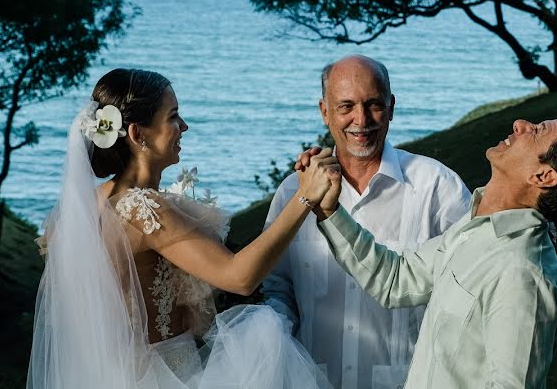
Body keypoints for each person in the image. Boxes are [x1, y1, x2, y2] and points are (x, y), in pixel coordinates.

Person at [27, 68, 340, 389]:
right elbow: (240, 277)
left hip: (109, 376)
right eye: (173, 117)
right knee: (264, 331)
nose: (184, 126)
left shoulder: (86, 204)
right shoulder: (143, 210)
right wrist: (304, 195)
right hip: (166, 377)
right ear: (138, 134)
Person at [308, 117, 557, 389]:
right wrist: (329, 210)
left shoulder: (523, 275)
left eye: (536, 131)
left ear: (543, 177)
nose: (520, 124)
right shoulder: (475, 227)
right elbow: (396, 279)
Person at [262, 55, 471, 389]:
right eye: (346, 106)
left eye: (373, 104)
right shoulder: (293, 191)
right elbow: (276, 288)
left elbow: (470, 286)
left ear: (391, 106)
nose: (361, 120)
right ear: (324, 111)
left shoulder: (437, 186)